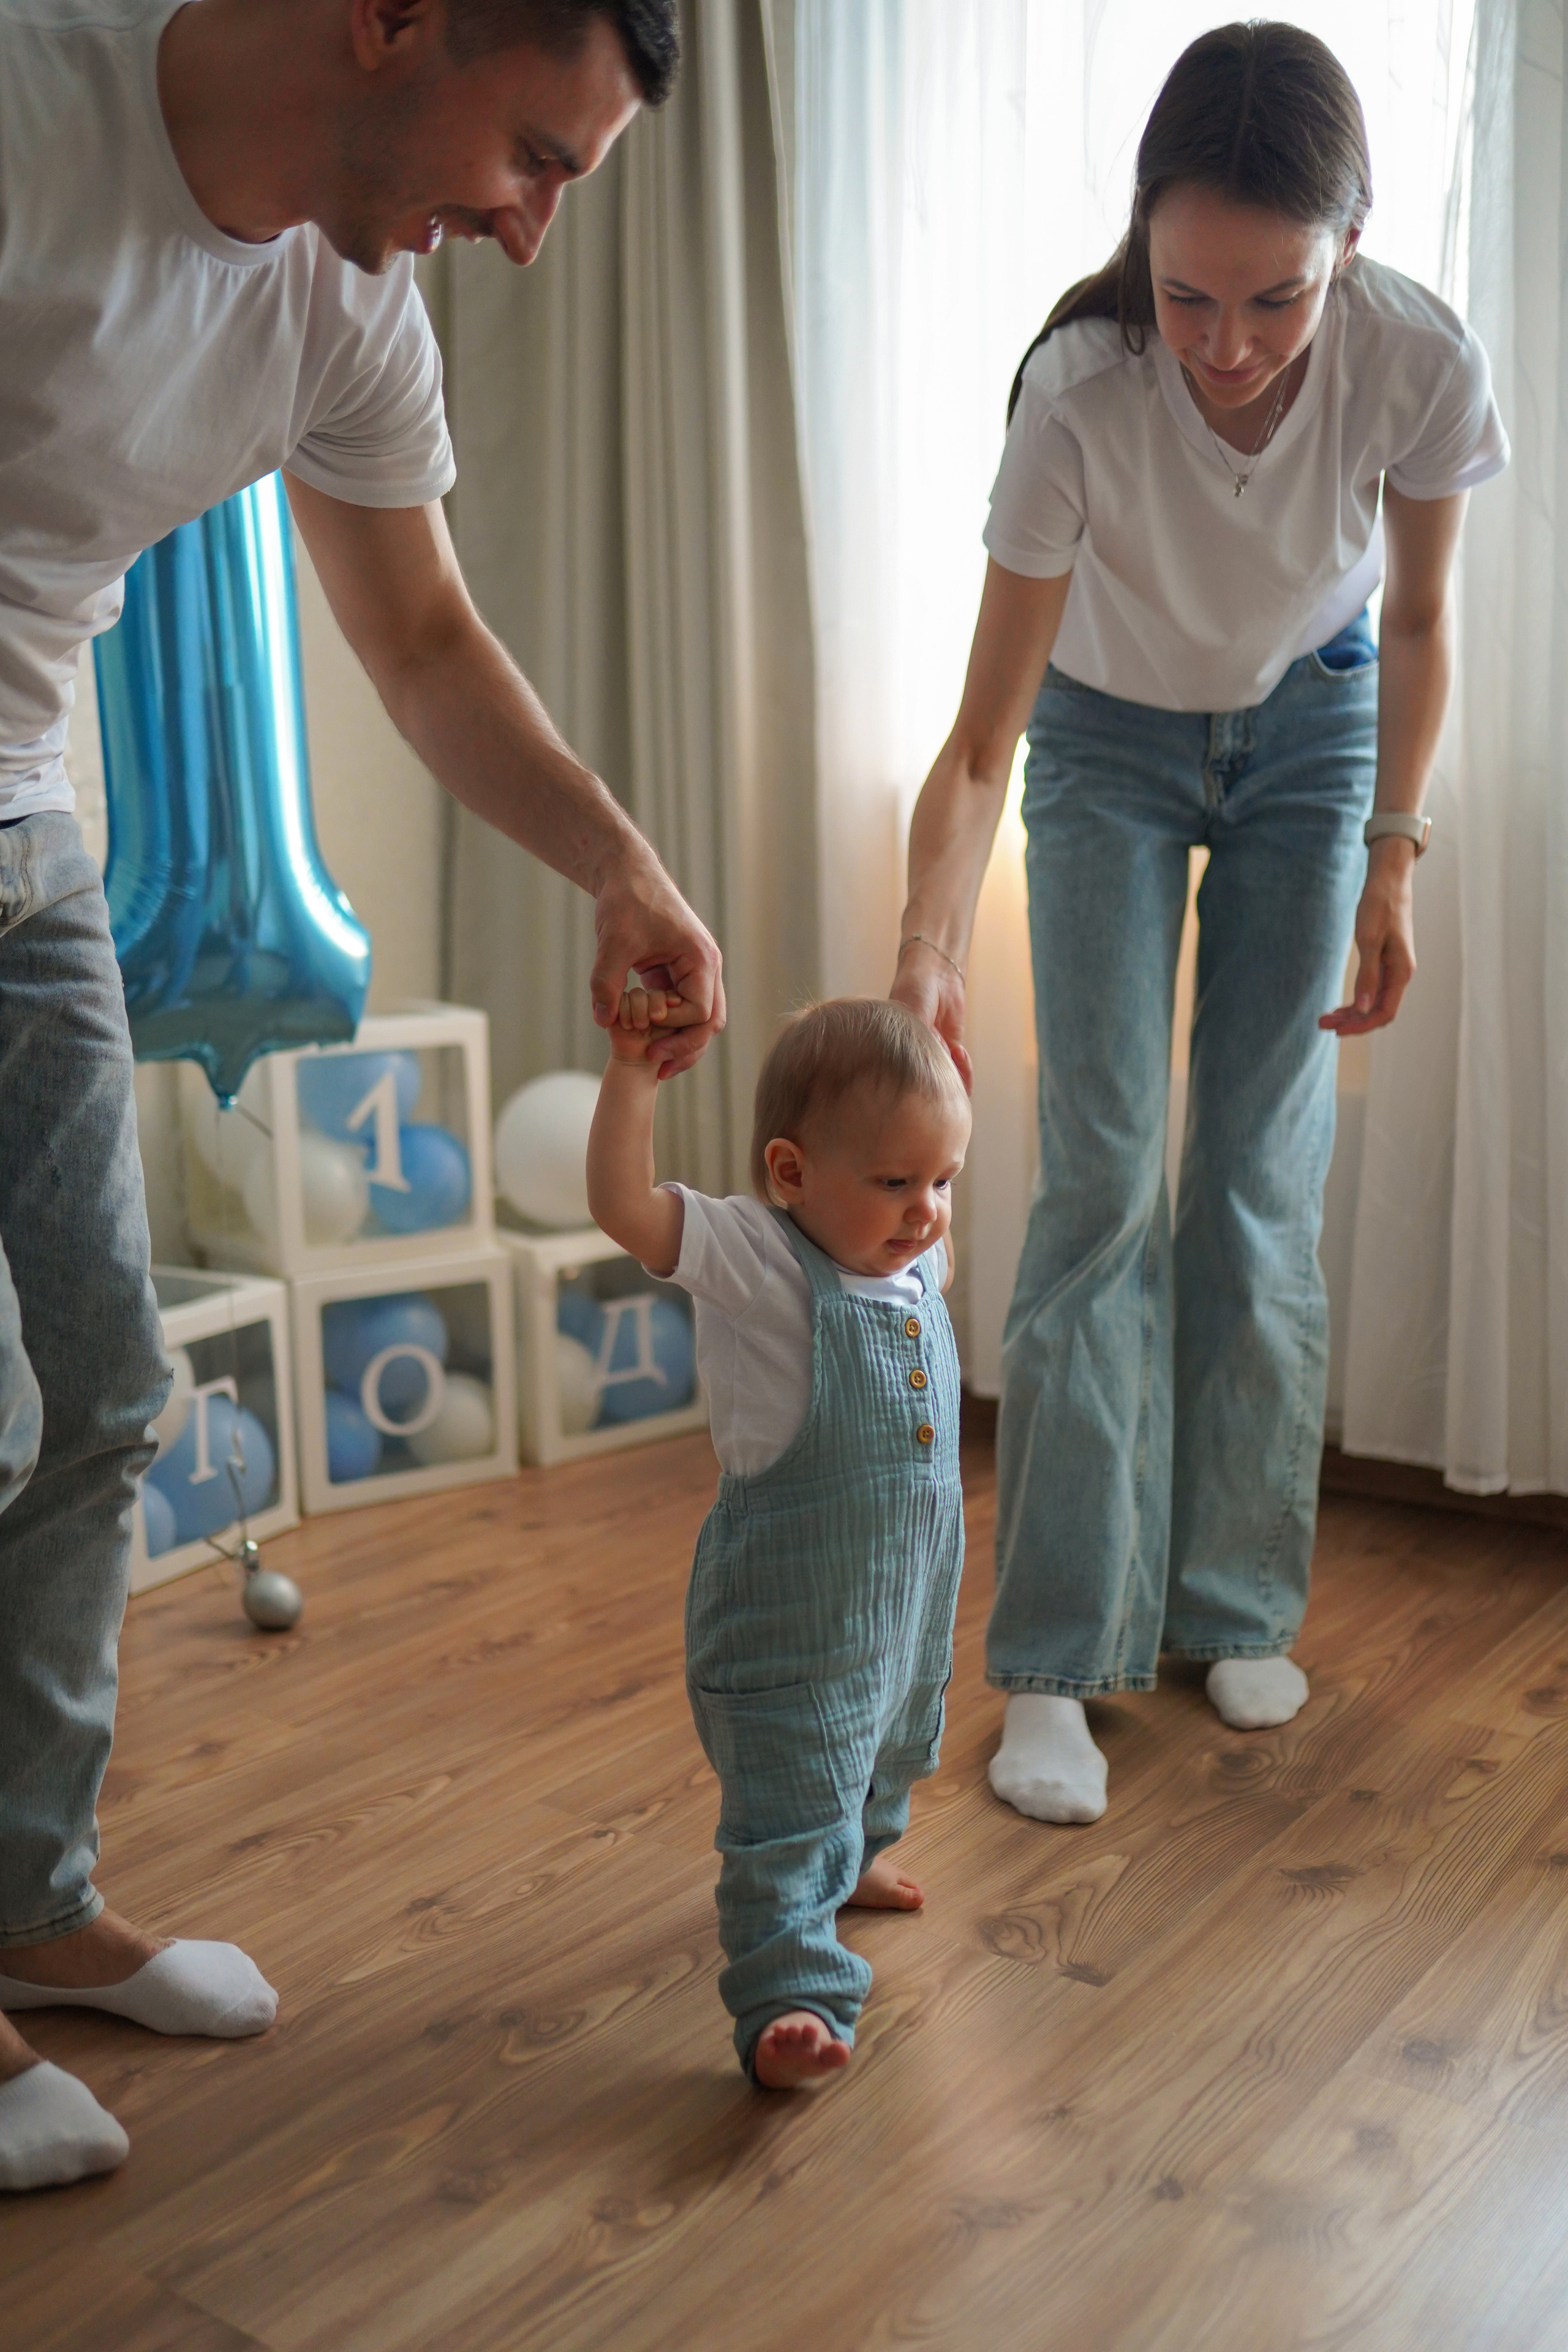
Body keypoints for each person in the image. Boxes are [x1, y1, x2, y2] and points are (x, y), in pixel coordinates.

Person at [0, 0, 721, 2192]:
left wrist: (619, 861)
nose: (525, 232)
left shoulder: (344, 296)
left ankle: (24, 1905)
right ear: (392, 19)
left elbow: (417, 642)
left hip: (31, 837)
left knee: (110, 1386)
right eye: (537, 156)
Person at [892, 22, 1508, 1826]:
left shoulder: (1418, 361)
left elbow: (1413, 628)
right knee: (1101, 1180)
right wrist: (928, 948)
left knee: (1254, 1174)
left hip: (1319, 735)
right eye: (1189, 297)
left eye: (1275, 300)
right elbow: (984, 736)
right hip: (1102, 738)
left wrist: (1396, 854)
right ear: (1138, 241)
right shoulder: (1076, 392)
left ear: (1349, 248)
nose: (1229, 348)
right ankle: (1058, 1666)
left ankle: (1231, 1600)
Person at [586, 993, 970, 2088]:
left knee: (890, 1745)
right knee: (795, 1800)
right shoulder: (760, 1259)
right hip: (788, 1629)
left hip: (897, 1610)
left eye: (941, 1180)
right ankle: (784, 1997)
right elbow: (624, 1206)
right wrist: (632, 1076)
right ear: (792, 1173)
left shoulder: (913, 1270)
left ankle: (853, 1859)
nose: (926, 1212)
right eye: (894, 1184)